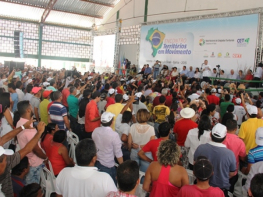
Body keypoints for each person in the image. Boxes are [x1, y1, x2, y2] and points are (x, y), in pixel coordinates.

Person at [0, 121, 45, 197]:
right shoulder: (6, 162)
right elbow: (27, 149)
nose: (5, 156)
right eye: (3, 156)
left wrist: (23, 127)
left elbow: (2, 140)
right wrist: (39, 132)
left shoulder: (3, 162)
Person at [194, 123, 236, 196]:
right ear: (225, 137)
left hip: (200, 188)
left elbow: (195, 165)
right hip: (221, 190)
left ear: (210, 134)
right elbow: (232, 173)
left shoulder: (200, 148)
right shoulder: (230, 154)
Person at [92, 112, 123, 185]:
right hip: (108, 165)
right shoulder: (114, 135)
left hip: (96, 163)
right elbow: (118, 154)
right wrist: (122, 166)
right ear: (112, 122)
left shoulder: (95, 131)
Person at [223, 119, 246, 193]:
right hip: (233, 171)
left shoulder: (221, 138)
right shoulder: (240, 142)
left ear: (226, 128)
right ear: (236, 129)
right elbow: (242, 157)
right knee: (230, 189)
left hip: (220, 168)